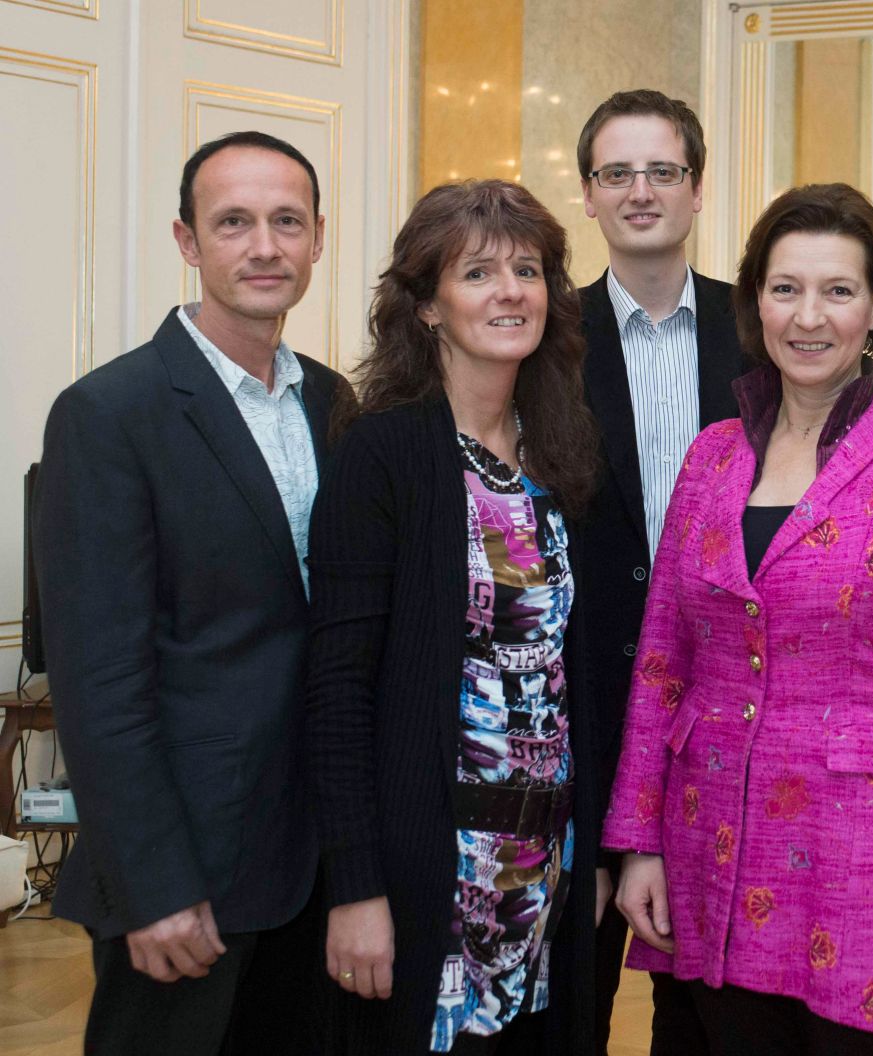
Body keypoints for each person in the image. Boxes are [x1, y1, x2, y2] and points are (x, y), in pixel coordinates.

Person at [603, 182, 873, 1054]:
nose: (808, 317)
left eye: (838, 290)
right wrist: (638, 842)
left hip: (863, 865)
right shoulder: (711, 456)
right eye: (785, 289)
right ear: (755, 303)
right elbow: (662, 662)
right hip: (709, 846)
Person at [32, 130, 344, 1056]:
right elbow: (98, 683)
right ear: (187, 239)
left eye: (287, 222)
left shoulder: (335, 403)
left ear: (319, 238)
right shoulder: (108, 413)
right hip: (182, 873)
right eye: (234, 223)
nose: (263, 247)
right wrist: (154, 882)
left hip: (310, 859)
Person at [305, 179, 606, 1054]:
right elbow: (337, 691)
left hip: (545, 866)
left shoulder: (564, 451)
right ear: (428, 306)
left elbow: (574, 676)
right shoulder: (381, 454)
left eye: (528, 269)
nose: (510, 291)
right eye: (478, 273)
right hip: (426, 868)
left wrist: (589, 856)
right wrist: (355, 888)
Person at [572, 88, 744, 1056]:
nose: (640, 191)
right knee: (575, 987)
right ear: (588, 194)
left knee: (712, 998)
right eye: (617, 173)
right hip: (584, 704)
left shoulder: (764, 329)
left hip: (725, 709)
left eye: (662, 171)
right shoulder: (540, 339)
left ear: (696, 189)